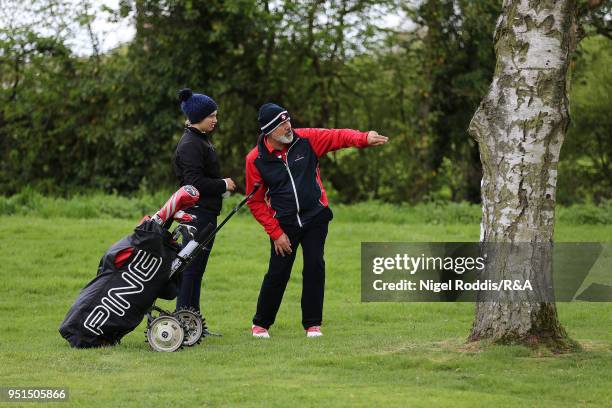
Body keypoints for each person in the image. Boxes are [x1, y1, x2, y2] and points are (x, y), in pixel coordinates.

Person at [245, 103, 388, 338]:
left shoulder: (306, 140)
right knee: (277, 273)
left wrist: (364, 137)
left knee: (314, 267)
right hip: (284, 225)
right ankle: (261, 324)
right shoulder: (255, 160)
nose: (288, 126)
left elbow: (337, 136)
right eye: (282, 124)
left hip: (315, 217)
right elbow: (255, 201)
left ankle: (312, 325)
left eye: (288, 120)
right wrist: (276, 232)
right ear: (269, 131)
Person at [173, 88, 236, 325]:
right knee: (190, 269)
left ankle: (193, 321)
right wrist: (223, 184)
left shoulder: (201, 140)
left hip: (207, 214)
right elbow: (194, 184)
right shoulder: (190, 143)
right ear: (198, 116)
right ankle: (183, 321)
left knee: (197, 270)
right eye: (211, 116)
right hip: (195, 216)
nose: (215, 120)